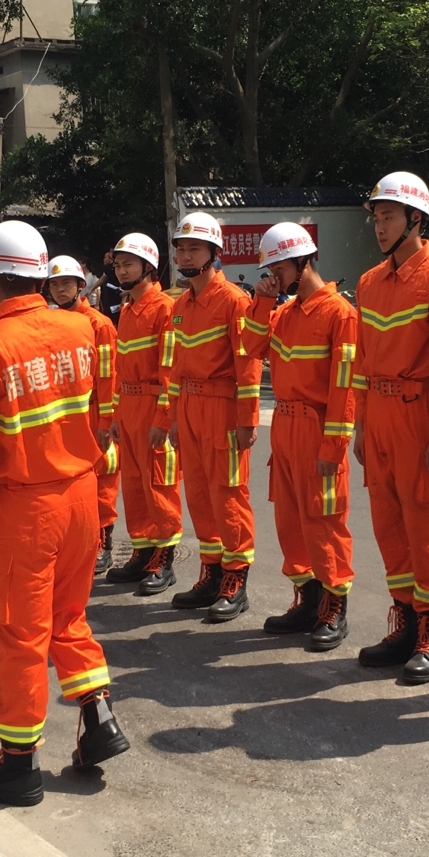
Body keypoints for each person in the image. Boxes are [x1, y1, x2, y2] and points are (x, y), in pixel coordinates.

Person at [0, 219, 129, 807]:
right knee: (68, 616)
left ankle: (17, 764)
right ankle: (99, 721)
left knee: (20, 633)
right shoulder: (80, 331)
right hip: (81, 498)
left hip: (28, 509)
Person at [351, 172, 429, 684]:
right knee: (389, 526)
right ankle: (404, 622)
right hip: (377, 417)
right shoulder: (369, 282)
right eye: (376, 217)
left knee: (427, 529)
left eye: (389, 216)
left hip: (420, 418)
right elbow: (359, 360)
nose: (380, 226)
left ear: (416, 220)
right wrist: (358, 424)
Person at [240, 223, 358, 650]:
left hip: (316, 429)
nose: (270, 275)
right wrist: (263, 299)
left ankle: (334, 604)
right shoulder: (282, 312)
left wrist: (334, 446)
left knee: (325, 521)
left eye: (276, 267)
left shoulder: (339, 313)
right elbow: (250, 349)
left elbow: (345, 388)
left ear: (300, 262)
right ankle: (307, 600)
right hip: (286, 430)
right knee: (290, 521)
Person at [156, 211, 262, 620]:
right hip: (193, 408)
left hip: (222, 407)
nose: (185, 255)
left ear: (214, 253)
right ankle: (212, 571)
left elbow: (248, 364)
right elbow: (178, 368)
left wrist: (247, 420)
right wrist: (177, 418)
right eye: (181, 248)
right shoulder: (181, 303)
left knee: (229, 493)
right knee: (199, 495)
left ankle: (236, 578)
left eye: (194, 248)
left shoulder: (234, 301)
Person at [103, 233, 184, 591]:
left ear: (148, 267)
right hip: (131, 405)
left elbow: (170, 367)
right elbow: (121, 368)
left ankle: (163, 559)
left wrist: (163, 419)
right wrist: (118, 416)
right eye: (118, 265)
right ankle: (142, 549)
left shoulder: (163, 308)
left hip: (153, 405)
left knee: (159, 483)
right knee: (134, 484)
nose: (121, 271)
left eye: (128, 264)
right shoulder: (128, 310)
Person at [48, 254, 120, 573]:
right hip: (66, 414)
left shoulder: (99, 324)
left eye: (67, 283)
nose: (60, 290)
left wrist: (106, 422)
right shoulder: (49, 323)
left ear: (81, 285)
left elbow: (108, 376)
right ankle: (76, 541)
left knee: (102, 478)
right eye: (54, 284)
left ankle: (103, 541)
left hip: (92, 411)